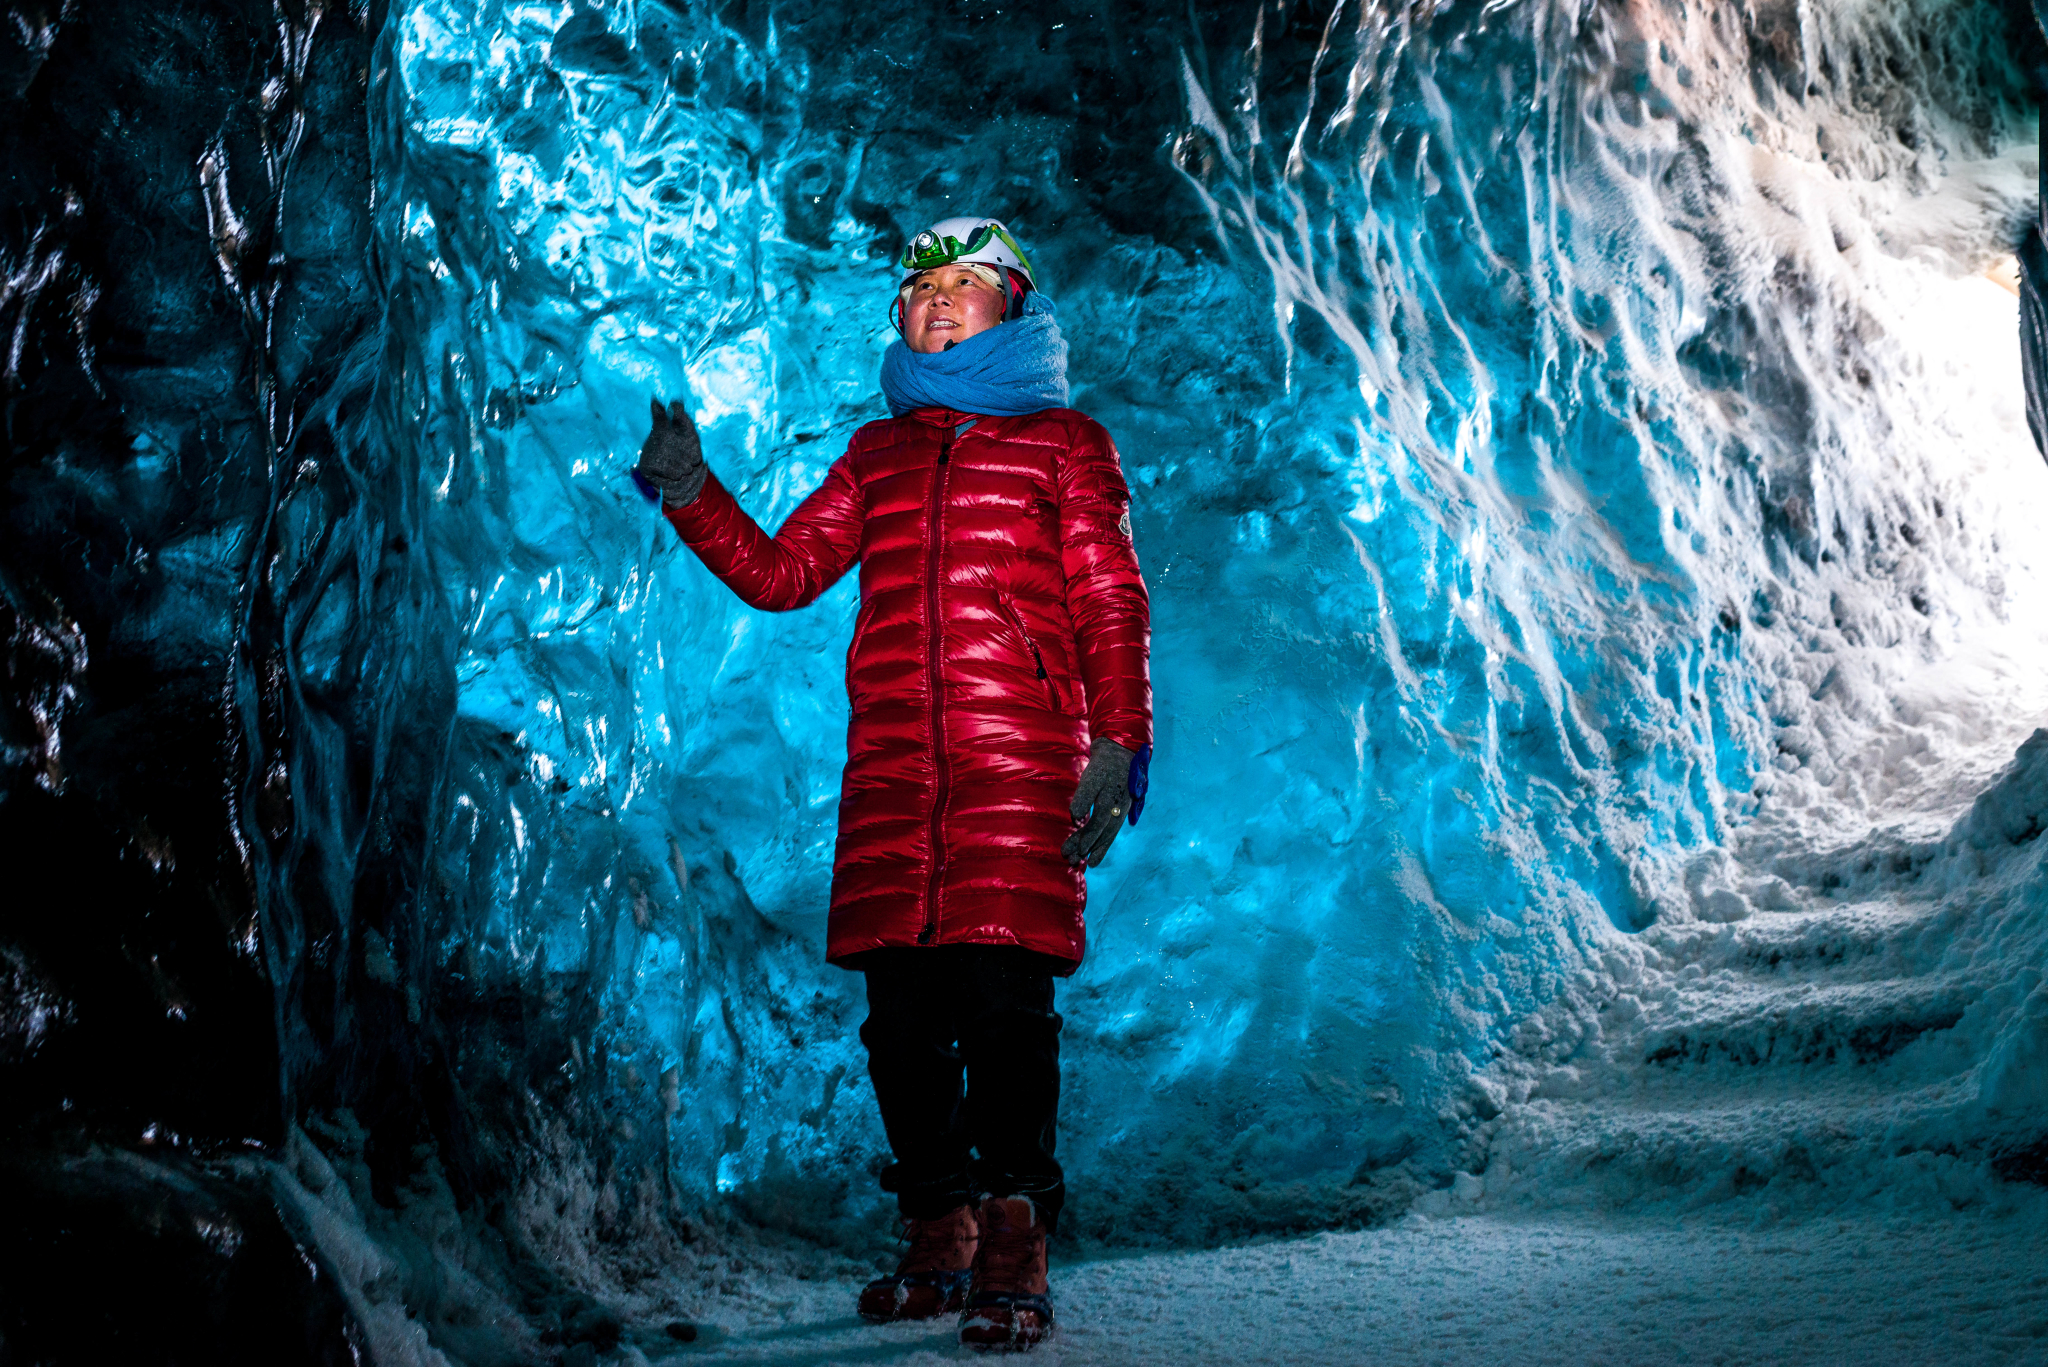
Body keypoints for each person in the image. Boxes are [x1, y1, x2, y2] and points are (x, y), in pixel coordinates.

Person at [635, 216, 1152, 1351]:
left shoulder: (1067, 444)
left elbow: (1110, 596)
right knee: (900, 1024)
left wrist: (1117, 743)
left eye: (959, 286)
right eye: (916, 291)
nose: (931, 304)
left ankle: (1016, 1229)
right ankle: (938, 1226)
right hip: (894, 781)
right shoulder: (878, 454)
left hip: (1015, 771)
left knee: (1005, 1009)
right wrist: (691, 493)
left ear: (1011, 302)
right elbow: (783, 573)